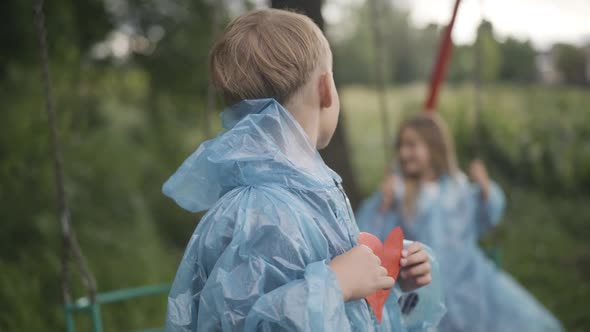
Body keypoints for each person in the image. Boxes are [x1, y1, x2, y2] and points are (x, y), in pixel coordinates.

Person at [162, 9, 445, 331]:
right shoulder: (263, 213)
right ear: (326, 89)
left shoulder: (305, 192)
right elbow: (247, 323)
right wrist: (336, 284)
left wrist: (386, 277)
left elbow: (334, 308)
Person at [356, 113, 564, 332]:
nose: (403, 153)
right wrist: (383, 203)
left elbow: (486, 218)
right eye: (400, 146)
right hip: (427, 288)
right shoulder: (399, 193)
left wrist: (486, 191)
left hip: (472, 282)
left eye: (411, 145)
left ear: (434, 147)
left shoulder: (458, 188)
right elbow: (370, 236)